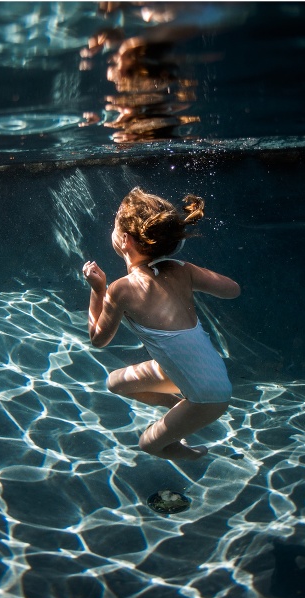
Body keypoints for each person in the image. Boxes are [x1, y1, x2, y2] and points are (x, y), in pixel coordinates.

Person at [82, 187, 240, 460]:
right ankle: (180, 408)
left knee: (148, 445)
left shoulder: (120, 290)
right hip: (186, 371)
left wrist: (98, 290)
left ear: (125, 240)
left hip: (209, 395)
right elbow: (233, 290)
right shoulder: (183, 270)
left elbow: (98, 339)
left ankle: (190, 446)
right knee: (115, 383)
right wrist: (190, 277)